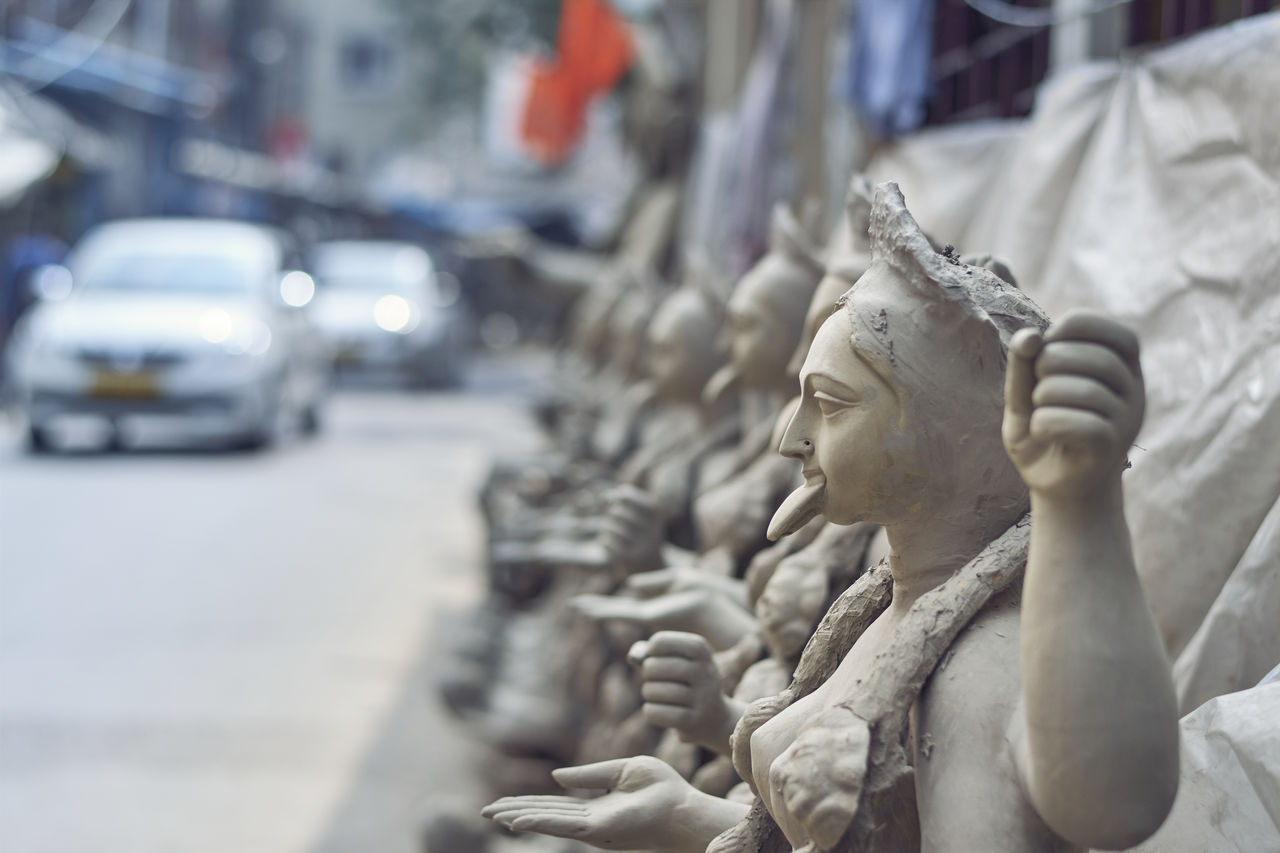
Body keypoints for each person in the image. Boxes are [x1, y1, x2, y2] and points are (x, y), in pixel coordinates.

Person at [483, 183, 1181, 852]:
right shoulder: (891, 602)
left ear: (937, 425)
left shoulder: (980, 671)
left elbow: (1110, 799)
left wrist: (1081, 505)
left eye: (832, 402)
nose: (791, 437)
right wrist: (689, 814)